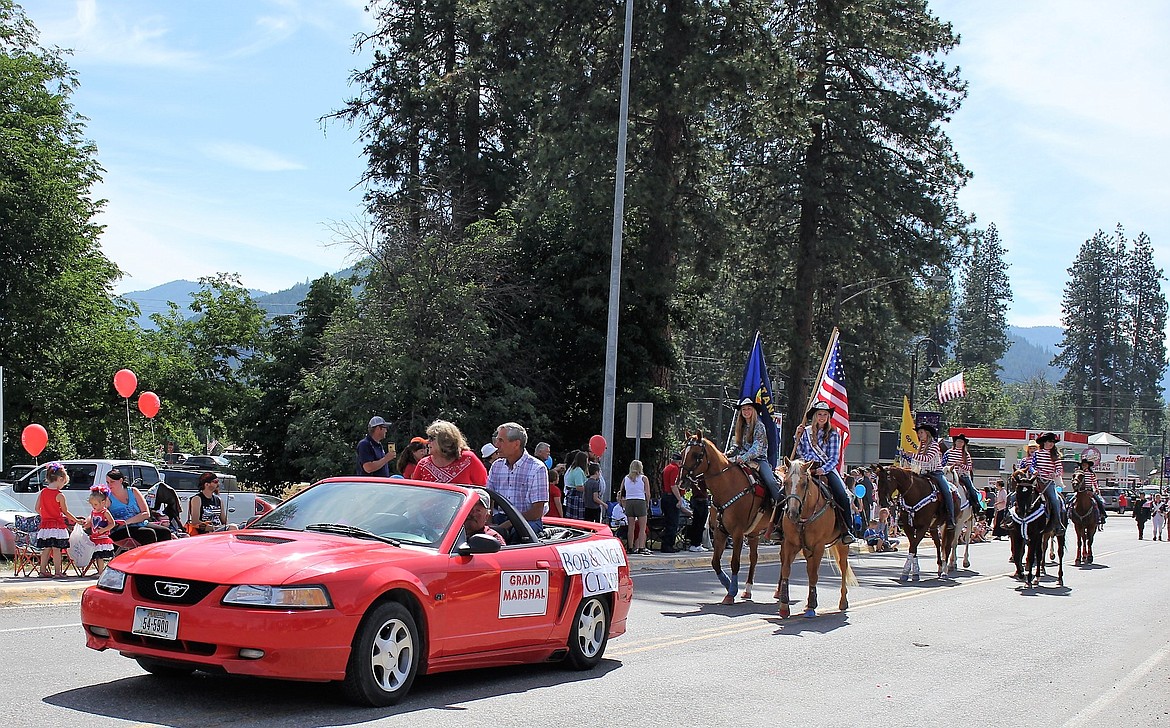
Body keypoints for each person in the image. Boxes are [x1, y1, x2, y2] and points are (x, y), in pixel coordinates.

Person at [794, 401, 855, 543]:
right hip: (805, 468)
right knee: (787, 490)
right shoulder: (805, 431)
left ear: (828, 417)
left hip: (825, 469)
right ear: (815, 416)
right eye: (819, 414)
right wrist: (797, 438)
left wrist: (822, 469)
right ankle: (779, 526)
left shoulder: (833, 434)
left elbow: (834, 459)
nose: (822, 417)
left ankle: (847, 530)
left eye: (825, 414)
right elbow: (799, 451)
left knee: (842, 495)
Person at [486, 422, 549, 536]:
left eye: (501, 440)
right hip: (501, 517)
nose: (496, 445)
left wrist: (508, 524)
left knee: (519, 534)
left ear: (516, 444)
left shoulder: (537, 468)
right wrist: (488, 523)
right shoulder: (497, 466)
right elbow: (488, 498)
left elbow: (537, 512)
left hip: (528, 520)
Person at [728, 397, 782, 508]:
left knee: (771, 482)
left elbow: (757, 448)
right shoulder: (740, 426)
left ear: (753, 411)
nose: (746, 412)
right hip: (741, 458)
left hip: (758, 460)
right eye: (744, 409)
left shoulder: (759, 425)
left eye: (749, 409)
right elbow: (737, 444)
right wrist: (728, 454)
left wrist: (743, 458)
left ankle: (781, 505)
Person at [35, 463, 80, 577]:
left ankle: (42, 571)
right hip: (57, 525)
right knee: (56, 550)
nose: (63, 486)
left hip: (45, 526)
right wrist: (76, 520)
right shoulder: (60, 495)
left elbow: (37, 508)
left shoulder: (43, 492)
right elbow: (65, 512)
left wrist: (45, 515)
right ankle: (58, 572)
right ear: (60, 479)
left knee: (46, 549)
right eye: (63, 483)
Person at [411, 420, 488, 485]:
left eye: (431, 438)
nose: (427, 442)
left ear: (445, 441)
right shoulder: (423, 464)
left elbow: (484, 488)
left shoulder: (468, 459)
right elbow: (414, 493)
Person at [107, 469, 173, 544]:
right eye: (107, 482)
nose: (109, 485)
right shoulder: (107, 497)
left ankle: (160, 555)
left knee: (165, 532)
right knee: (148, 533)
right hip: (120, 529)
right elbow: (99, 512)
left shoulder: (133, 491)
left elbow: (146, 513)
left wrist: (127, 521)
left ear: (120, 480)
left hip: (140, 524)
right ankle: (147, 555)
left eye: (112, 482)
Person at [909, 422, 954, 527]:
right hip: (923, 473)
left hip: (936, 473)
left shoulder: (934, 445)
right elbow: (920, 461)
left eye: (921, 433)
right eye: (918, 433)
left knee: (947, 491)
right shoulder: (921, 446)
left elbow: (927, 458)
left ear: (927, 433)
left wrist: (913, 455)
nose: (919, 435)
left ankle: (950, 517)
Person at [1029, 432, 1065, 534]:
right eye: (1049, 441)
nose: (1051, 444)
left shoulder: (1055, 455)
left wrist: (1055, 474)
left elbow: (1059, 469)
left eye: (1053, 442)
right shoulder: (1037, 453)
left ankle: (1058, 524)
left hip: (1049, 482)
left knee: (1055, 500)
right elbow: (1032, 465)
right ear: (1044, 442)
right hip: (1037, 480)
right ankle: (1011, 518)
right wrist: (1033, 471)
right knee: (1019, 494)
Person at [943, 434, 983, 516]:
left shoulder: (966, 454)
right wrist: (947, 468)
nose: (959, 443)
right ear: (955, 442)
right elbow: (942, 463)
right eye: (958, 441)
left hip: (961, 475)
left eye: (961, 442)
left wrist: (960, 465)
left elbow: (969, 467)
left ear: (964, 444)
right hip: (949, 474)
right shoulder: (948, 452)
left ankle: (977, 506)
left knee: (971, 488)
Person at [621, 459, 652, 555]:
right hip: (640, 501)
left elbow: (622, 491)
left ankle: (630, 547)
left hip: (629, 501)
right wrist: (647, 503)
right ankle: (641, 547)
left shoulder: (626, 478)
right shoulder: (643, 478)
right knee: (642, 527)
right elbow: (648, 493)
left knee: (631, 527)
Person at [86, 485, 116, 574]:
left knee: (100, 556)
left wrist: (104, 529)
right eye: (92, 504)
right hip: (95, 537)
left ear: (103, 503)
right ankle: (99, 570)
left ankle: (100, 571)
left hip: (103, 537)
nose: (93, 506)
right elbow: (92, 522)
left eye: (95, 504)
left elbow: (112, 523)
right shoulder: (93, 512)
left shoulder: (105, 512)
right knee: (96, 555)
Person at [659, 452, 684, 553]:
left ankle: (666, 544)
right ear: (679, 461)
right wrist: (679, 499)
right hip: (671, 497)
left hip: (665, 496)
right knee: (673, 523)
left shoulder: (667, 468)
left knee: (668, 521)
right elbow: (673, 485)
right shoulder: (675, 469)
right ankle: (668, 545)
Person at [1072, 459, 1108, 528]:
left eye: (1085, 465)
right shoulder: (1078, 473)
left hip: (1089, 490)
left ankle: (1102, 514)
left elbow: (1094, 482)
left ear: (1088, 466)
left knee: (1099, 501)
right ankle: (1069, 514)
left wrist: (1096, 488)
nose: (1084, 466)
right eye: (1083, 465)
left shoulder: (1091, 473)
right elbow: (1074, 481)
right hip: (1080, 491)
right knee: (1071, 501)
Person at [686, 474, 710, 552]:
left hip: (701, 500)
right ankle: (695, 543)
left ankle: (697, 543)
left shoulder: (698, 477)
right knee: (698, 523)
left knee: (700, 524)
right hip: (700, 501)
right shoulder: (700, 478)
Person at [563, 451, 588, 520]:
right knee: (577, 519)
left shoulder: (572, 469)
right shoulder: (578, 471)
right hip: (576, 497)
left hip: (571, 496)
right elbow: (579, 487)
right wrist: (588, 489)